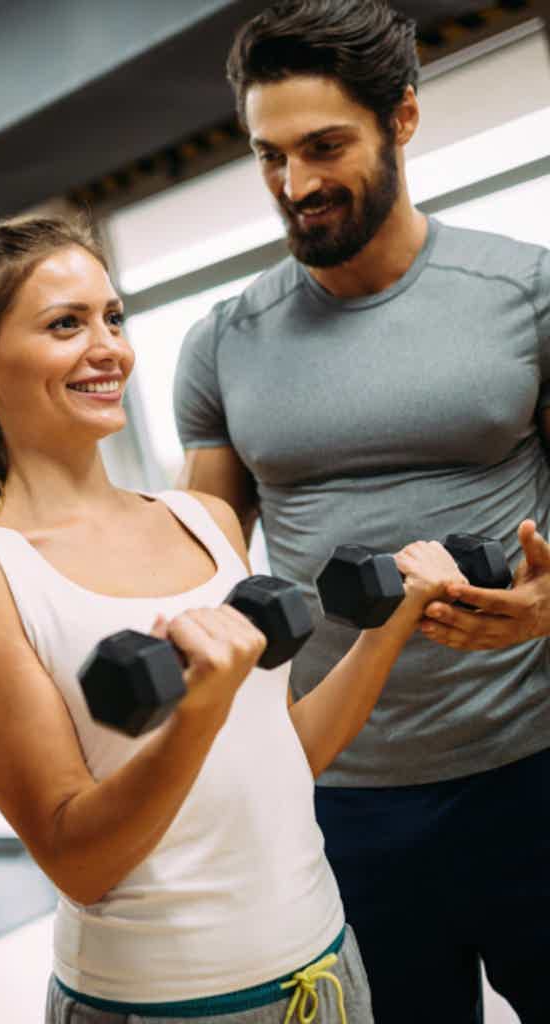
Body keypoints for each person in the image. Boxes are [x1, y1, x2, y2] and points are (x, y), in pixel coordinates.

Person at [0, 213, 466, 1023]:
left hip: (327, 969)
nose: (108, 347)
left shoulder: (204, 519)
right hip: (168, 1004)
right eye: (66, 324)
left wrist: (391, 628)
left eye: (112, 318)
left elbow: (287, 754)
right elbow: (79, 861)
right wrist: (198, 711)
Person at [173, 2, 550, 1021]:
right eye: (270, 156)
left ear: (403, 120)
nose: (295, 185)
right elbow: (204, 571)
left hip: (532, 768)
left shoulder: (525, 292)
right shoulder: (224, 344)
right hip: (343, 800)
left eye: (324, 147)